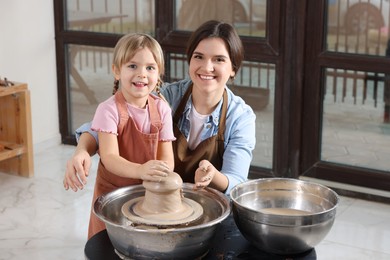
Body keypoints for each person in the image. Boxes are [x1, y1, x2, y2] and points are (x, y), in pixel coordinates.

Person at [64, 20, 256, 197]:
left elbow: (236, 182)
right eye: (199, 57)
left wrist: (214, 176)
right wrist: (81, 150)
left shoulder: (241, 117)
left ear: (233, 68)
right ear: (190, 60)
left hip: (210, 204)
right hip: (159, 199)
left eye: (219, 60)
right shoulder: (167, 96)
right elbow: (101, 128)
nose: (207, 67)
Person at [64, 33, 176, 239]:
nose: (142, 74)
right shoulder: (108, 110)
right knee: (109, 244)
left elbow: (167, 157)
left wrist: (161, 173)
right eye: (132, 66)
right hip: (112, 196)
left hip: (147, 193)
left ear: (159, 73)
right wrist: (142, 170)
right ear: (116, 71)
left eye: (150, 68)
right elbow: (110, 158)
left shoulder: (162, 109)